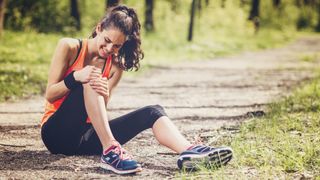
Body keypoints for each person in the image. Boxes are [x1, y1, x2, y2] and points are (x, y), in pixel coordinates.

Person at [40, 5, 233, 175]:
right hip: (56, 133)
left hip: (85, 138)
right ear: (99, 28)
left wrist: (105, 94)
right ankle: (110, 151)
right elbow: (50, 94)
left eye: (117, 46)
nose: (109, 48)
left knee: (153, 111)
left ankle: (189, 151)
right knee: (90, 79)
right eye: (106, 40)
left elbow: (98, 112)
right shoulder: (70, 47)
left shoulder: (115, 65)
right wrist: (75, 77)